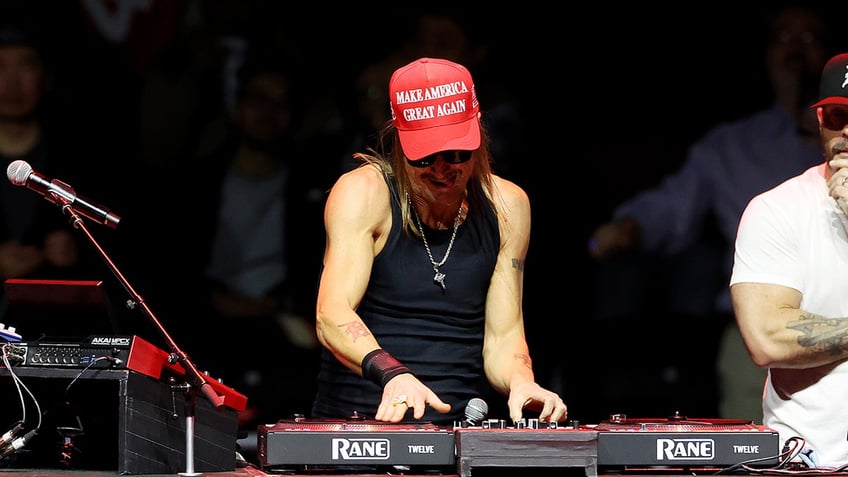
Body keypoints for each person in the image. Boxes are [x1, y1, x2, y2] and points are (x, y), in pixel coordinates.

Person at [586, 4, 832, 422]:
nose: (796, 50)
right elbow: (675, 204)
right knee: (761, 454)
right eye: (785, 38)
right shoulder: (732, 145)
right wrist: (626, 228)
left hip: (841, 314)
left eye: (808, 39)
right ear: (767, 53)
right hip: (761, 329)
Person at [310, 57, 566, 425]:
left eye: (456, 152)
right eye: (425, 155)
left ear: (479, 134)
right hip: (356, 429)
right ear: (399, 142)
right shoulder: (364, 193)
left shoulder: (508, 206)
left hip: (454, 432)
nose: (442, 168)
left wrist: (521, 381)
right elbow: (331, 315)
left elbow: (503, 335)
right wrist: (394, 374)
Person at [730, 51, 848, 469]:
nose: (846, 131)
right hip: (810, 461)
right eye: (836, 116)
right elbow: (766, 338)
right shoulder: (776, 209)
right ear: (819, 121)